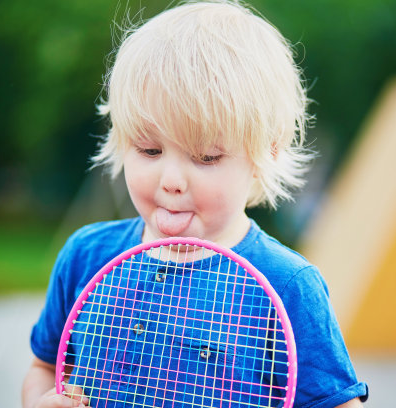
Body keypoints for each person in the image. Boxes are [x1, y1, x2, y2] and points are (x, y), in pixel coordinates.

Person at [22, 1, 368, 407]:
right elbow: (44, 367)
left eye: (206, 157)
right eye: (149, 150)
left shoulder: (288, 286)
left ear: (267, 153)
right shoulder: (86, 256)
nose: (171, 181)